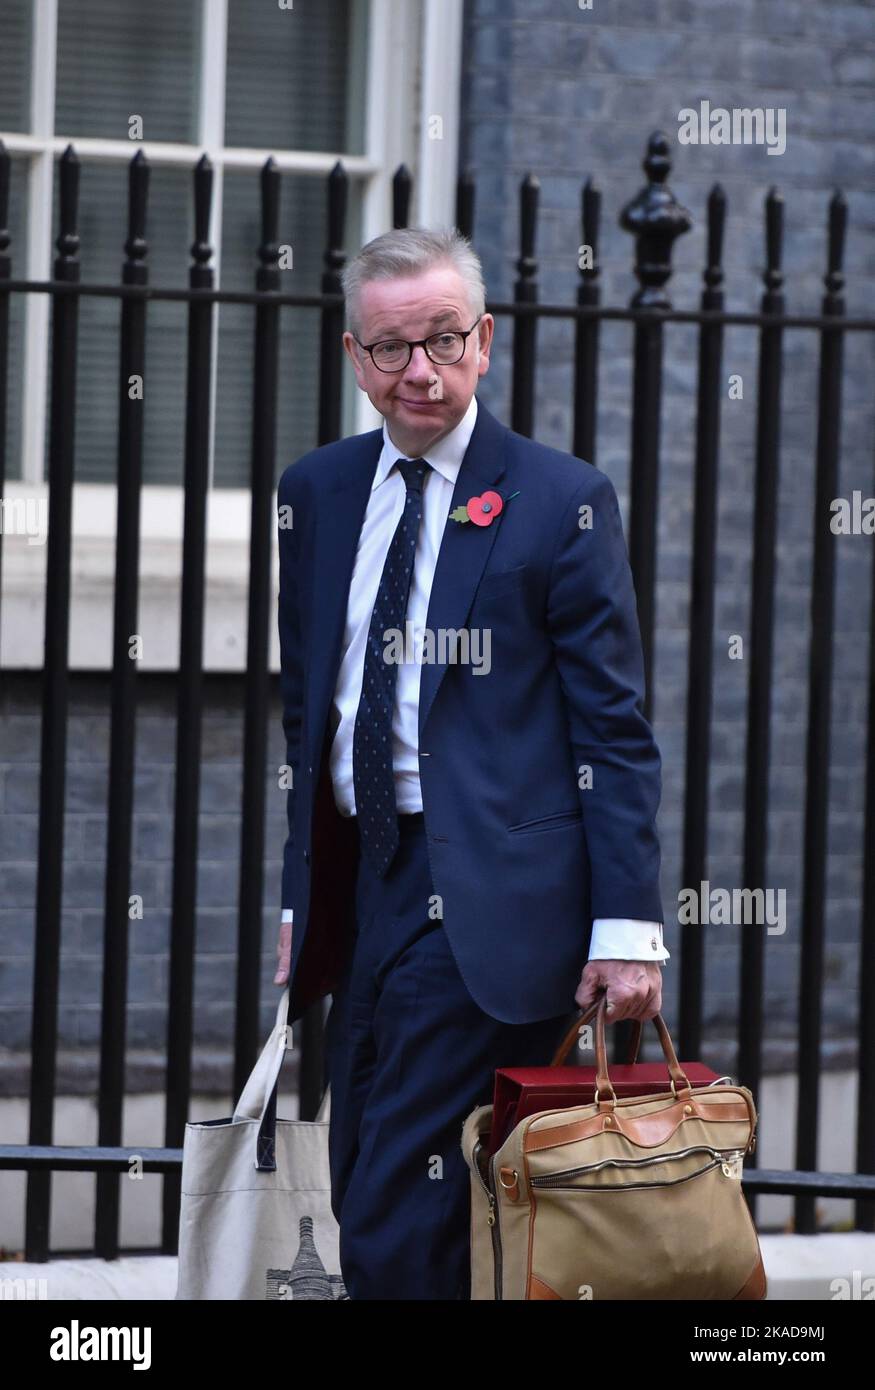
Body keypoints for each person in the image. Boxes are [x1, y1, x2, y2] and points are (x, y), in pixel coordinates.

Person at [273, 227, 669, 1300]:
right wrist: (300, 897)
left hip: (491, 895)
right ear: (353, 354)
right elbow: (307, 714)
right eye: (393, 348)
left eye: (443, 341)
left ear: (483, 341)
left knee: (401, 1192)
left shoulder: (557, 500)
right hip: (363, 885)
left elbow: (613, 728)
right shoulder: (314, 493)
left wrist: (629, 930)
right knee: (362, 1169)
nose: (420, 371)